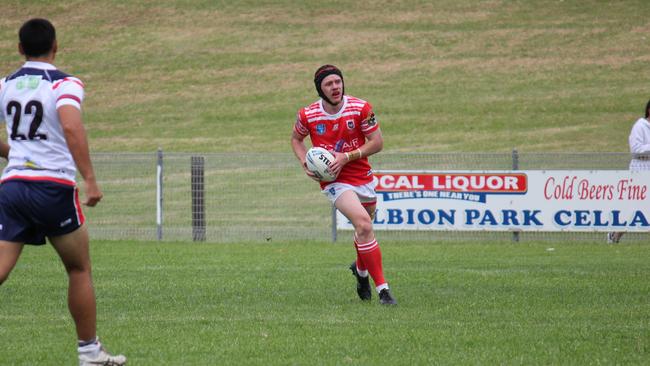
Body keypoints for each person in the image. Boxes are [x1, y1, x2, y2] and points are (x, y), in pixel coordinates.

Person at [0, 18, 126, 365]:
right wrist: (90, 179)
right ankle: (89, 353)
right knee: (78, 268)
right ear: (56, 46)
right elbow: (70, 124)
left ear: (20, 49)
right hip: (52, 188)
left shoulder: (5, 85)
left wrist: (15, 152)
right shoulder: (63, 83)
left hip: (12, 186)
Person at [291, 64, 397, 305]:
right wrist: (303, 161)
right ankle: (384, 291)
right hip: (334, 180)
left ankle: (360, 272)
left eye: (337, 81)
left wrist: (346, 157)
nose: (335, 87)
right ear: (320, 89)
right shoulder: (308, 114)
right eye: (329, 84)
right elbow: (296, 139)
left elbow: (377, 142)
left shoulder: (361, 108)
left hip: (362, 174)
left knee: (364, 230)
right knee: (364, 224)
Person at [607, 99, 650, 244]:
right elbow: (636, 150)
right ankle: (615, 234)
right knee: (637, 207)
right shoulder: (640, 126)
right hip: (640, 171)